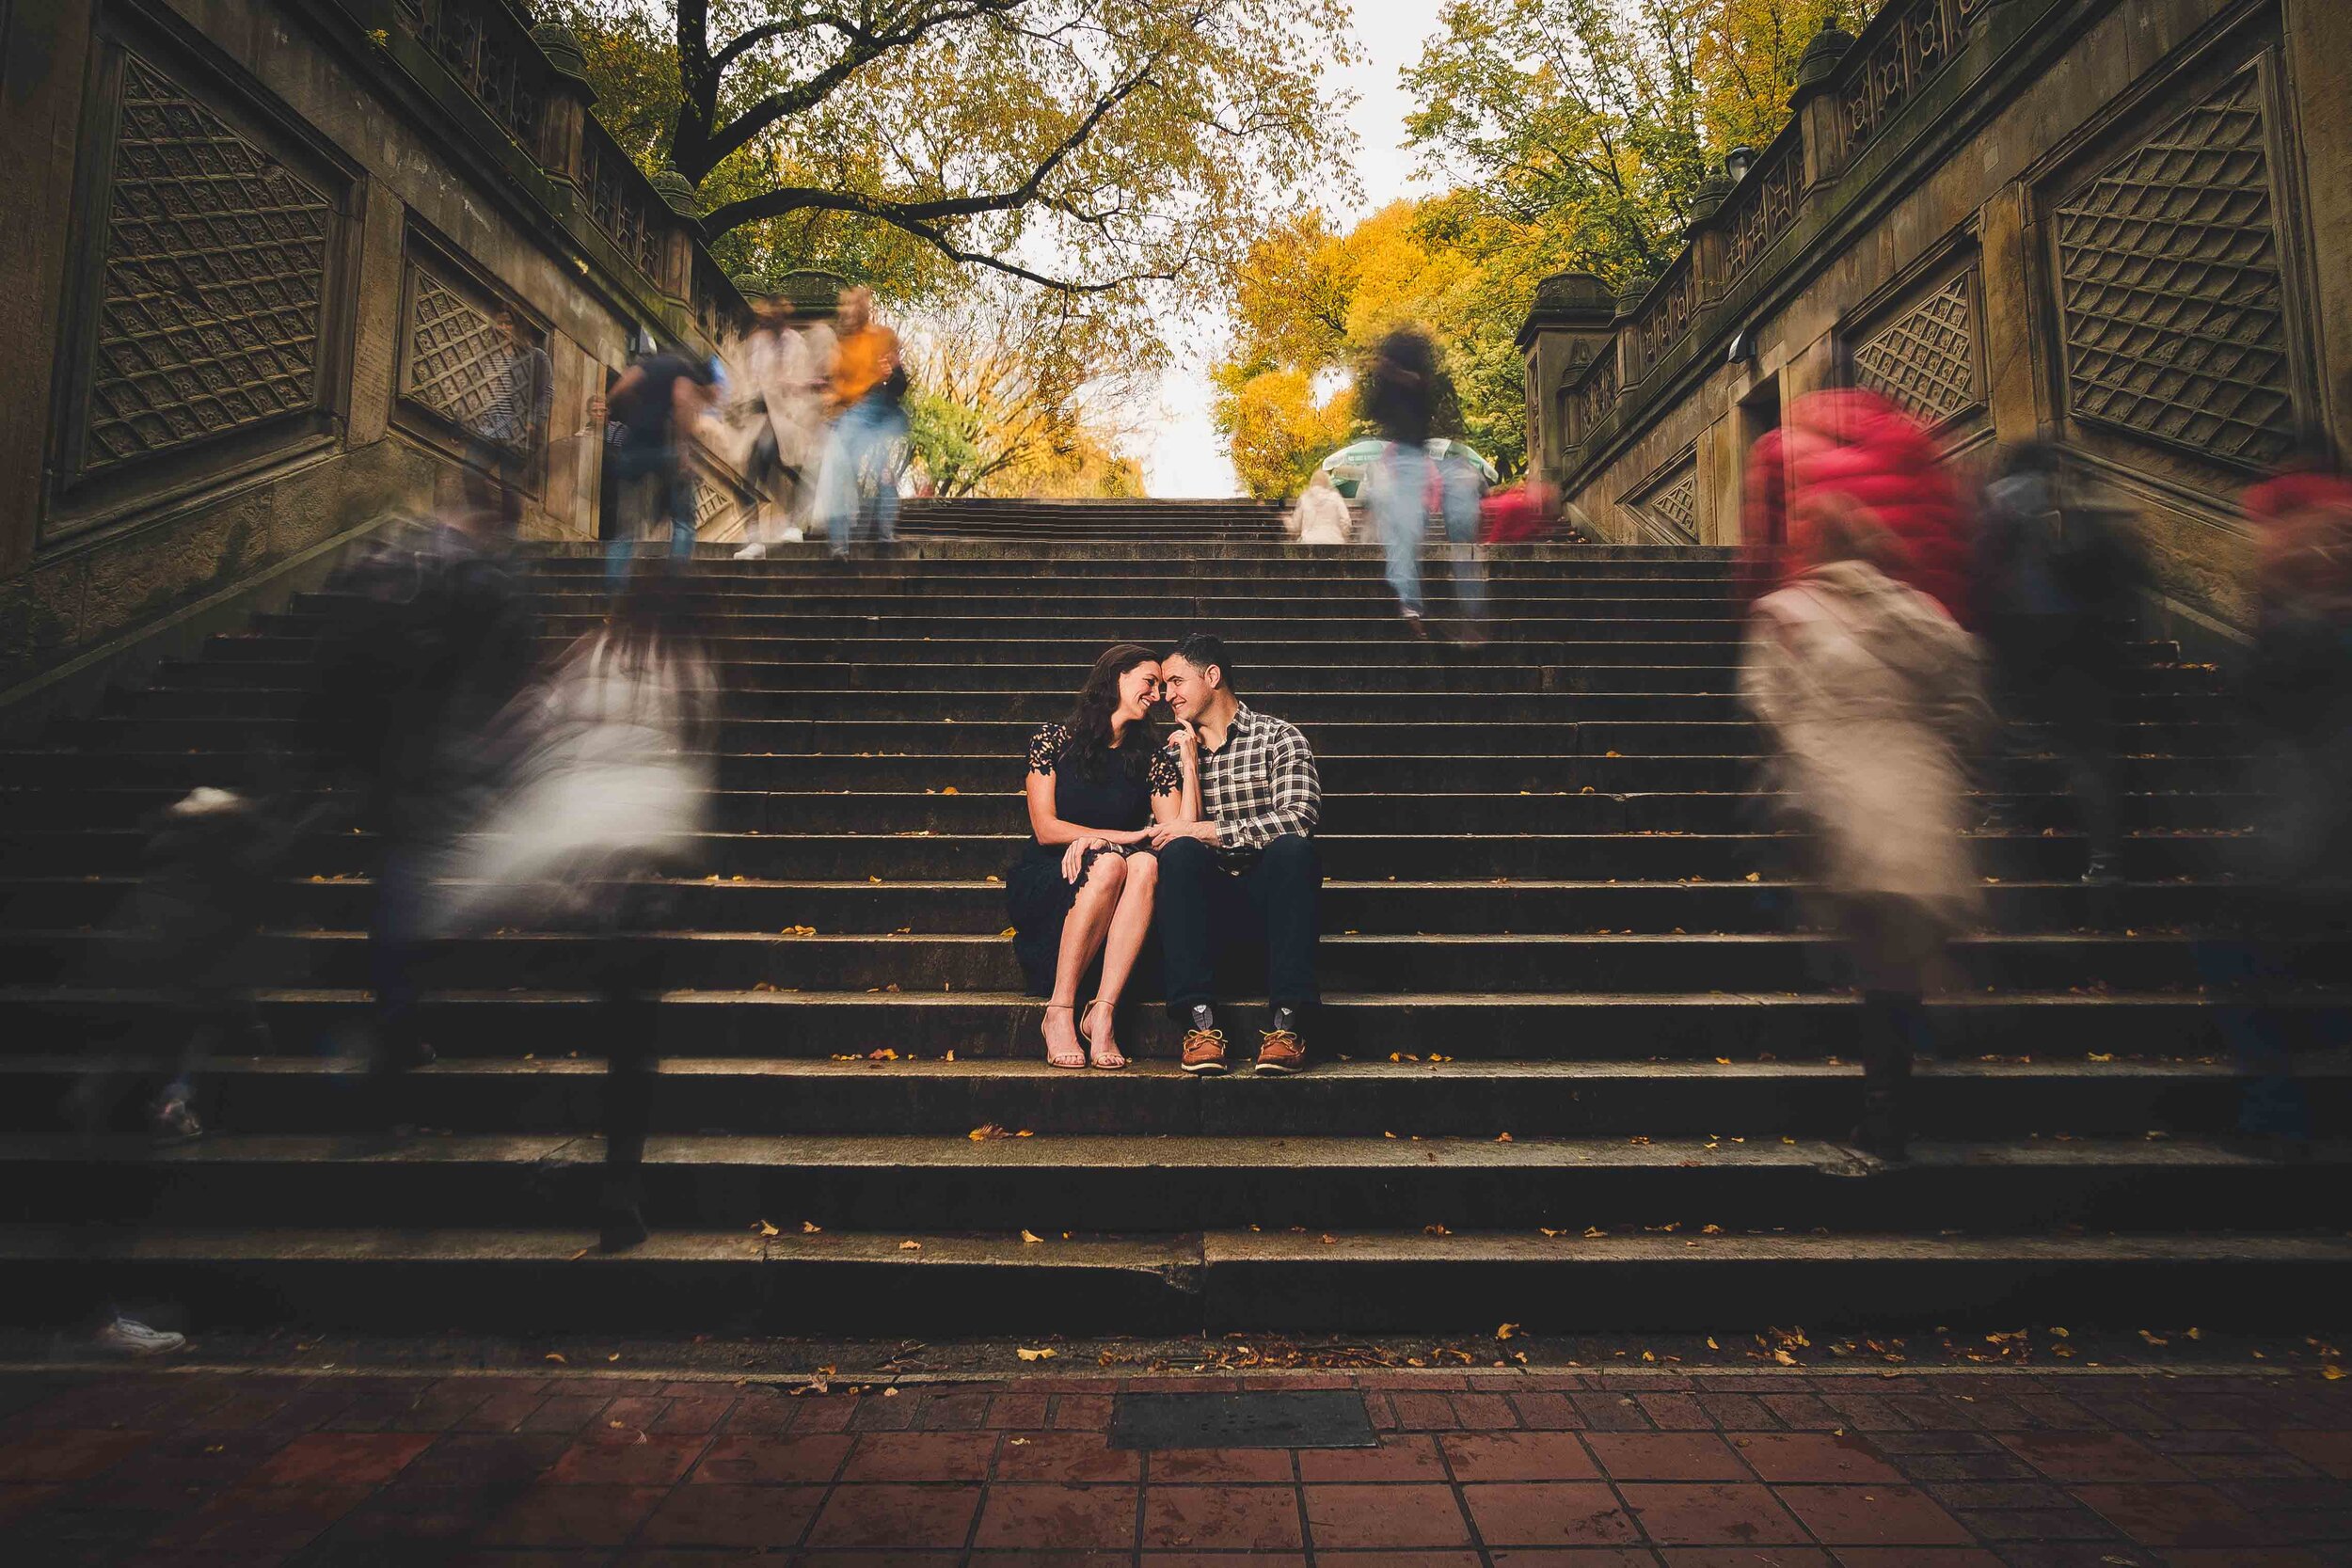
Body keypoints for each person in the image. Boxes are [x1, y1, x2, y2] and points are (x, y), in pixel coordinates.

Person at [431, 563, 718, 1249]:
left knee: (595, 1020)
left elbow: (529, 724)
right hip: (640, 873)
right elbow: (696, 757)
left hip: (574, 865)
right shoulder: (690, 666)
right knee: (631, 1045)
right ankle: (620, 1185)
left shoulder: (588, 652)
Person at [1740, 495, 1991, 1161]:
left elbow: (1766, 706)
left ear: (1814, 550)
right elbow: (1968, 700)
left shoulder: (1788, 615)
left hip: (1840, 804)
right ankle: (1906, 1076)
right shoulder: (1921, 615)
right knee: (1894, 959)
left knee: (1874, 957)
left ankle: (1886, 1116)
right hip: (1917, 805)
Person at [310, 508, 539, 1096]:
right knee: (415, 876)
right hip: (431, 754)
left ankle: (397, 1006)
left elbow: (343, 669)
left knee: (401, 876)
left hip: (395, 756)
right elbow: (504, 662)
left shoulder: (399, 575)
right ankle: (400, 1012)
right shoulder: (476, 583)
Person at [1972, 440, 2149, 882]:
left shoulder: (1997, 500)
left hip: (2018, 634)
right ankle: (2106, 861)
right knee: (2089, 749)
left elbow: (1979, 568)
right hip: (2084, 639)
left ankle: (2005, 824)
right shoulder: (2081, 500)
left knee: (2007, 726)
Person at [1148, 633, 1324, 1075]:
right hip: (1201, 914)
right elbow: (1162, 834)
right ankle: (1199, 1024)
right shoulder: (1171, 754)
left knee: (1293, 851)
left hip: (1271, 908)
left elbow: (1299, 817)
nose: (1166, 695)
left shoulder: (1279, 739)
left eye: (1176, 682)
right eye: (1165, 685)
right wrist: (1187, 768)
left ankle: (1288, 1026)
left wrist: (1211, 831)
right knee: (1181, 853)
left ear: (1212, 676)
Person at [1007, 644, 1181, 1069]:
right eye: (1150, 682)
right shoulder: (1052, 740)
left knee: (1143, 862)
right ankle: (1059, 1010)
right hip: (1052, 877)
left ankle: (1102, 1013)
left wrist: (1189, 763)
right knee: (1111, 862)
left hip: (1118, 889)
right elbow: (1046, 828)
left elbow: (1173, 832)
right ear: (1118, 677)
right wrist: (1105, 839)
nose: (1158, 695)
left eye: (1162, 687)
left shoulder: (1152, 758)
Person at [1742, 379, 1975, 624]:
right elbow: (1948, 534)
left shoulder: (1781, 449)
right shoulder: (1911, 437)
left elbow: (1762, 554)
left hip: (1826, 618)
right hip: (1926, 614)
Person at [595, 345, 717, 585]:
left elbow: (622, 386)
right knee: (683, 520)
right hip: (665, 448)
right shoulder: (684, 369)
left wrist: (632, 411)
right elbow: (681, 401)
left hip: (634, 447)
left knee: (625, 527)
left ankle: (613, 592)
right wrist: (682, 449)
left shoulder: (649, 365)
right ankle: (674, 585)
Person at [815, 286, 908, 555]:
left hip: (877, 407)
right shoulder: (842, 348)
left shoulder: (882, 338)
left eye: (851, 306)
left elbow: (900, 384)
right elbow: (837, 386)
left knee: (881, 470)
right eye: (843, 307)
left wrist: (891, 373)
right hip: (851, 413)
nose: (845, 312)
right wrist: (829, 397)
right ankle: (839, 544)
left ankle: (884, 531)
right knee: (840, 471)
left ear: (862, 309)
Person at [1359, 330, 1439, 633]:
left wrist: (1392, 373)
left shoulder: (1417, 383)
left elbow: (1420, 389)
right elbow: (1374, 409)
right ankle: (1408, 602)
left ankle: (1408, 600)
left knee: (1404, 538)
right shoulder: (1395, 387)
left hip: (1411, 461)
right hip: (1403, 463)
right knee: (1401, 539)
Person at [732, 296, 816, 559]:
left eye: (773, 316)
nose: (767, 320)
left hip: (786, 420)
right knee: (747, 480)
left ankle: (793, 524)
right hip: (762, 420)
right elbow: (748, 380)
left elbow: (801, 382)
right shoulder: (757, 344)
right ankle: (755, 538)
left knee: (792, 473)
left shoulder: (796, 344)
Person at [463, 306, 552, 541]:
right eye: (499, 323)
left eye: (508, 323)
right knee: (471, 472)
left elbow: (546, 393)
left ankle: (509, 535)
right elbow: (472, 391)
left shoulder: (535, 357)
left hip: (516, 431)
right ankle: (484, 522)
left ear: (518, 327)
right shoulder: (487, 358)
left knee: (510, 487)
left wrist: (534, 421)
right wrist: (460, 423)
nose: (503, 328)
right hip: (486, 428)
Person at [1288, 468, 1351, 545]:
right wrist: (1344, 535)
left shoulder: (1305, 498)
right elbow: (1346, 521)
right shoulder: (1335, 497)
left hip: (1309, 541)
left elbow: (1295, 525)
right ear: (1327, 482)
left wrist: (1285, 519)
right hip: (1334, 540)